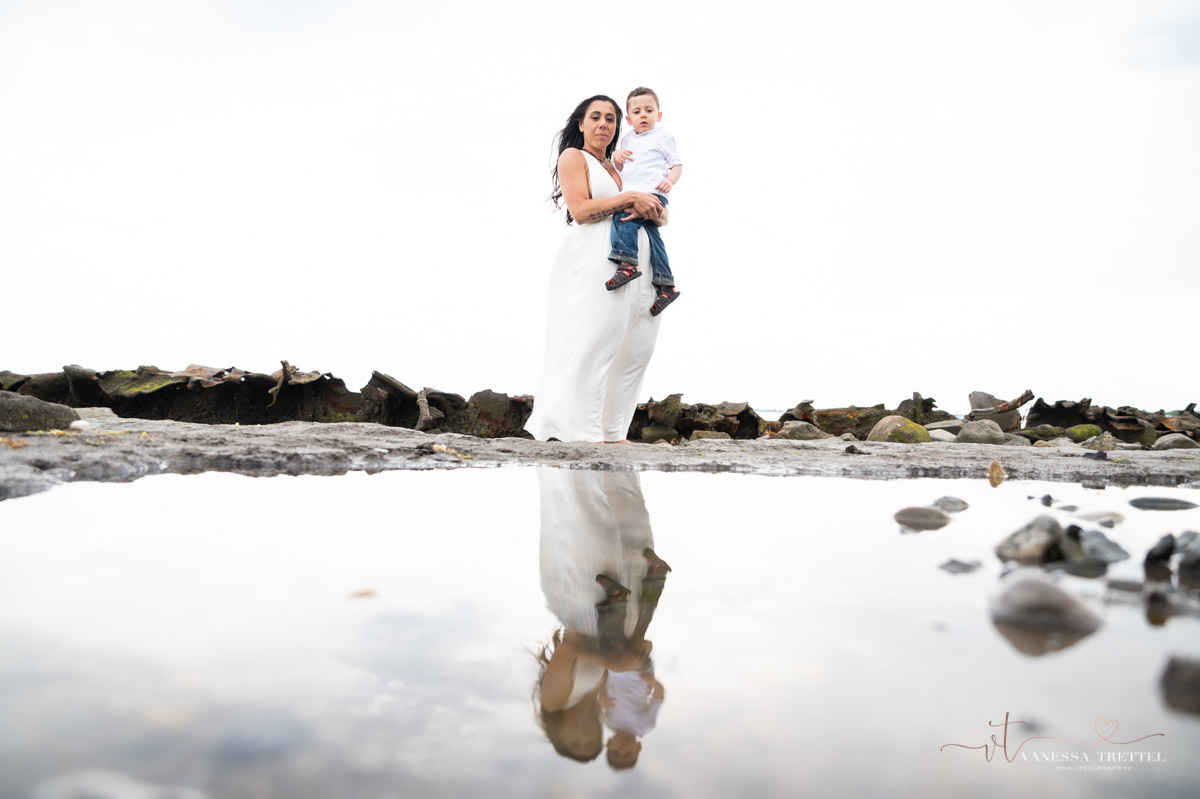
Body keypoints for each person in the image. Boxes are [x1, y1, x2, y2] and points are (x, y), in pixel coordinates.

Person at [523, 95, 667, 444]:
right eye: (596, 117)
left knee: (636, 348)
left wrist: (652, 208)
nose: (604, 124)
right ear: (582, 124)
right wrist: (630, 197)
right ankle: (580, 430)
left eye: (611, 119)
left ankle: (613, 430)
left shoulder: (622, 167)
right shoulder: (574, 157)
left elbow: (661, 216)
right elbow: (582, 210)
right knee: (598, 339)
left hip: (642, 265)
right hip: (596, 259)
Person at [604, 87, 683, 317]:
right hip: (634, 191)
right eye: (637, 112)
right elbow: (623, 167)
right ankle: (666, 285)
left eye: (649, 110)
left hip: (653, 192)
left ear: (659, 115)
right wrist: (617, 157)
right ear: (628, 119)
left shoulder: (663, 137)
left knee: (622, 217)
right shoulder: (627, 139)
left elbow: (677, 164)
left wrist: (670, 180)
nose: (643, 115)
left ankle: (627, 263)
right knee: (652, 236)